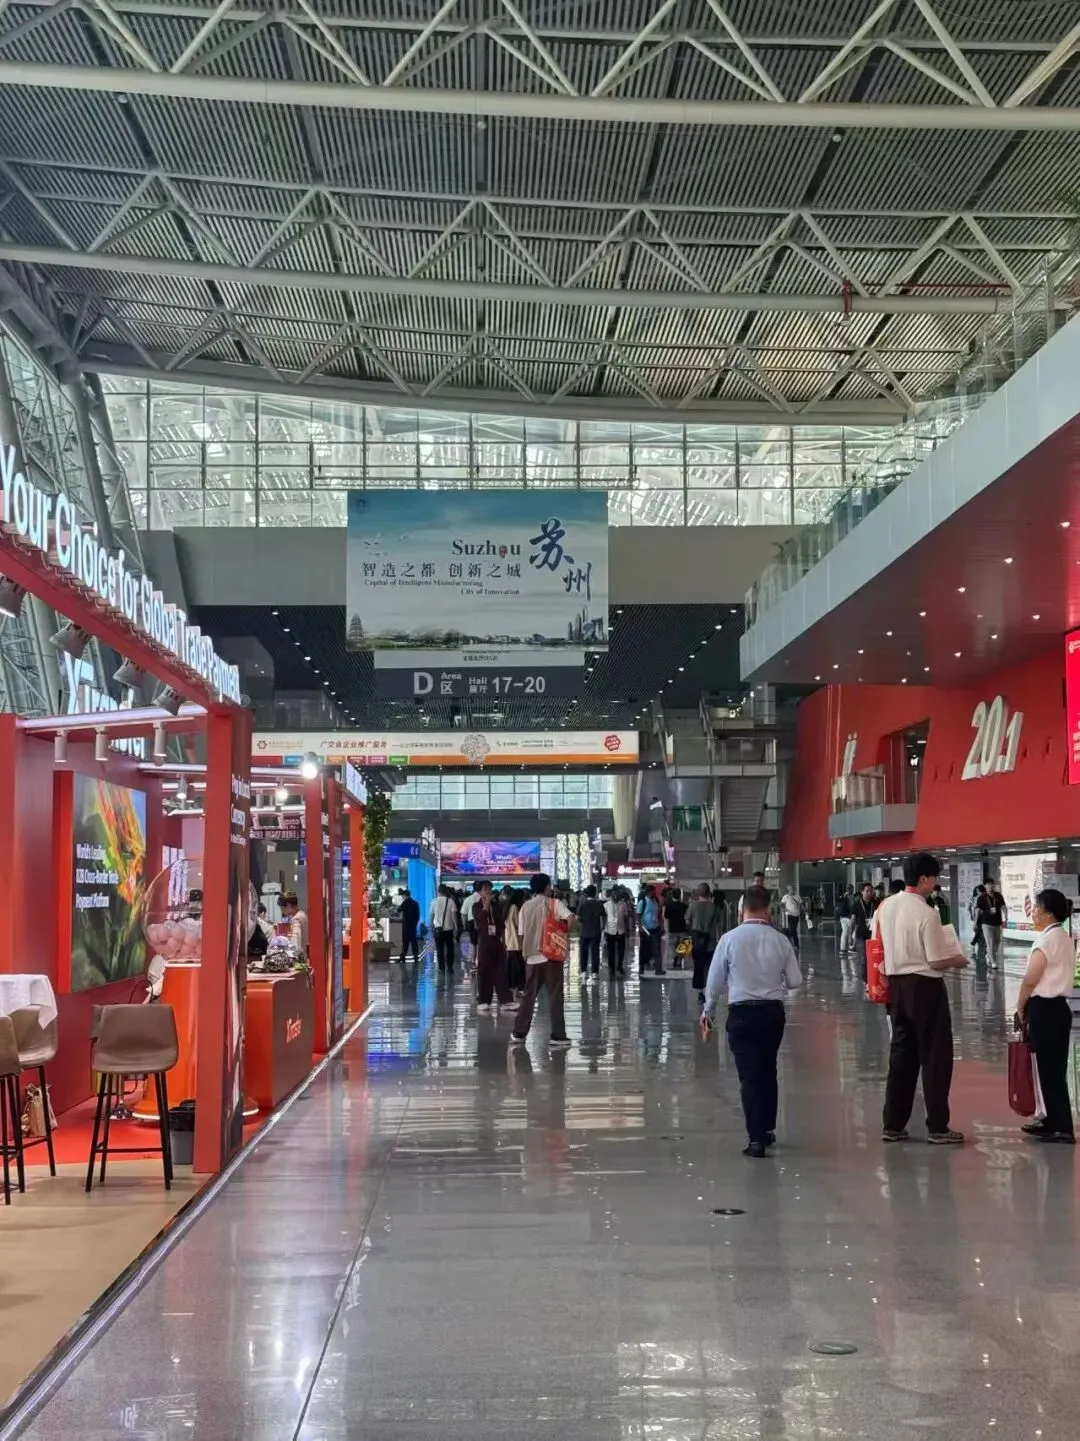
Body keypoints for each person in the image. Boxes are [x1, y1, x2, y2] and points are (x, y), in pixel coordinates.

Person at [700, 884, 802, 1158]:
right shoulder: (780, 940)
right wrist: (774, 981)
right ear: (769, 909)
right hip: (772, 1014)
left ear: (742, 908)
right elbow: (795, 981)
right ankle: (766, 1129)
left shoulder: (729, 940)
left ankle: (756, 1139)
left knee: (749, 1077)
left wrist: (708, 1013)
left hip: (741, 1015)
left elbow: (714, 983)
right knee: (768, 1070)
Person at [879, 851, 968, 1145]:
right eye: (934, 878)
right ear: (924, 879)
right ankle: (938, 1127)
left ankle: (892, 1124)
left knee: (901, 1056)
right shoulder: (927, 913)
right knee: (935, 1056)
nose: (935, 883)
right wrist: (958, 960)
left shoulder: (886, 906)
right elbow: (936, 960)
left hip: (897, 987)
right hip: (926, 989)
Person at [1016, 888, 1076, 1144]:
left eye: (1037, 908)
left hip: (1044, 1009)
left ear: (1049, 913)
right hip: (1060, 1009)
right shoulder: (1064, 938)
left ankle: (1062, 1128)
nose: (1034, 912)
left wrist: (1020, 1006)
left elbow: (1031, 979)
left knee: (1048, 1070)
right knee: (1053, 1068)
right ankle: (1052, 1120)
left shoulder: (1045, 941)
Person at [510, 873, 572, 1049]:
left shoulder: (525, 907)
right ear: (546, 887)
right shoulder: (555, 903)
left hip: (532, 958)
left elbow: (522, 934)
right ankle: (558, 1036)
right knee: (555, 996)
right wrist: (564, 933)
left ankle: (518, 1033)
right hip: (552, 958)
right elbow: (571, 918)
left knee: (529, 997)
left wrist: (526, 954)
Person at [474, 881, 515, 1014]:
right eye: (485, 889)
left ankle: (505, 1001)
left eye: (490, 889)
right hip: (485, 943)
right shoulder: (476, 906)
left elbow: (501, 924)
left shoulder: (496, 906)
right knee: (484, 971)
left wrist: (504, 940)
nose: (488, 891)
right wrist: (486, 904)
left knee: (501, 972)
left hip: (497, 942)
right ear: (479, 892)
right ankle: (483, 1000)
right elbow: (481, 919)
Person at [687, 882, 717, 1004]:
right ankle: (709, 991)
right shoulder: (714, 907)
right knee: (709, 968)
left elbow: (687, 921)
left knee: (698, 967)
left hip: (697, 942)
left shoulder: (692, 906)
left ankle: (700, 993)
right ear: (709, 893)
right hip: (711, 942)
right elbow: (719, 924)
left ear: (698, 893)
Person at [974, 879, 1007, 970]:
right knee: (990, 942)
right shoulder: (981, 897)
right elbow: (977, 911)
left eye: (991, 884)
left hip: (997, 923)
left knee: (997, 941)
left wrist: (1006, 915)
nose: (990, 886)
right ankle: (993, 962)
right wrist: (975, 922)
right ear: (985, 886)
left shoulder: (998, 895)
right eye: (988, 884)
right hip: (986, 923)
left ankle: (989, 955)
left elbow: (1003, 906)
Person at [576, 884, 604, 982]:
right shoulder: (599, 904)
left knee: (583, 952)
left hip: (584, 932)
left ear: (587, 894)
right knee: (595, 952)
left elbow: (578, 918)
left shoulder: (582, 905)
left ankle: (583, 972)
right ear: (595, 893)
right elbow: (603, 916)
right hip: (595, 932)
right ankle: (594, 973)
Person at [430, 884, 458, 975]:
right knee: (450, 948)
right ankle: (449, 967)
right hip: (449, 929)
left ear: (438, 891)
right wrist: (456, 927)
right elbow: (454, 916)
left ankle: (441, 968)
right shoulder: (450, 901)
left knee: (439, 949)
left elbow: (431, 917)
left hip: (438, 929)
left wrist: (431, 927)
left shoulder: (434, 901)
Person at [852, 881, 876, 982]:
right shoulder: (857, 904)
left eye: (871, 891)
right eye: (867, 891)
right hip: (860, 935)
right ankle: (865, 981)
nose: (869, 893)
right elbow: (853, 920)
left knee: (873, 959)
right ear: (862, 892)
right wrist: (851, 935)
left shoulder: (876, 903)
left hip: (873, 935)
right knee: (864, 959)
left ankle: (873, 979)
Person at [637, 884, 663, 976]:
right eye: (653, 892)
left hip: (655, 928)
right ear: (649, 892)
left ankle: (658, 969)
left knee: (657, 949)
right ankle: (641, 967)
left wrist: (661, 926)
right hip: (645, 929)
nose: (655, 893)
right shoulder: (642, 902)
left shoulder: (655, 901)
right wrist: (640, 926)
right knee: (644, 949)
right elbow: (638, 915)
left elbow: (659, 914)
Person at [663, 885, 689, 970]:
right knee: (682, 946)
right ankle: (679, 960)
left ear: (672, 896)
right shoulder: (684, 906)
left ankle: (675, 958)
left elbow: (666, 916)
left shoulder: (669, 905)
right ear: (680, 895)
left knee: (672, 946)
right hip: (682, 928)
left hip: (672, 929)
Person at [603, 889, 625, 977]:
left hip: (621, 930)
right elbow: (605, 917)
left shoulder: (623, 904)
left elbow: (625, 917)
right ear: (611, 895)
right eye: (613, 894)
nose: (615, 896)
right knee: (611, 951)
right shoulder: (606, 905)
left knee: (621, 951)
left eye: (616, 894)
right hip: (610, 930)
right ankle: (611, 968)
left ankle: (619, 966)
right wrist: (604, 930)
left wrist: (627, 930)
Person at [280, 890, 308, 955]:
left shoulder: (296, 920)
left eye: (282, 908)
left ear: (288, 905)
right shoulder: (302, 914)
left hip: (299, 958)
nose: (282, 911)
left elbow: (295, 944)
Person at [397, 888, 421, 963]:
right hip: (413, 925)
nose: (402, 897)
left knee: (405, 942)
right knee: (414, 941)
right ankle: (416, 957)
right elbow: (418, 915)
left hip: (406, 925)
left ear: (405, 895)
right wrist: (415, 923)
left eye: (402, 896)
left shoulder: (405, 903)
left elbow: (398, 910)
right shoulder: (415, 903)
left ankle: (403, 956)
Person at [780, 887, 801, 952]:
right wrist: (784, 909)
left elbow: (801, 905)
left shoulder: (797, 897)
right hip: (789, 915)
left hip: (796, 916)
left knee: (793, 930)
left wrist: (806, 912)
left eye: (792, 889)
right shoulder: (786, 896)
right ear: (788, 890)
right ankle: (796, 945)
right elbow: (781, 904)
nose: (792, 890)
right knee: (794, 930)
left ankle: (788, 940)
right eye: (790, 889)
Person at [837, 886, 855, 957]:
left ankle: (843, 949)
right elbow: (851, 906)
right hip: (849, 917)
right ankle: (851, 947)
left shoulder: (842, 896)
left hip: (842, 917)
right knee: (852, 932)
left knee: (844, 932)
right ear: (851, 889)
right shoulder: (850, 897)